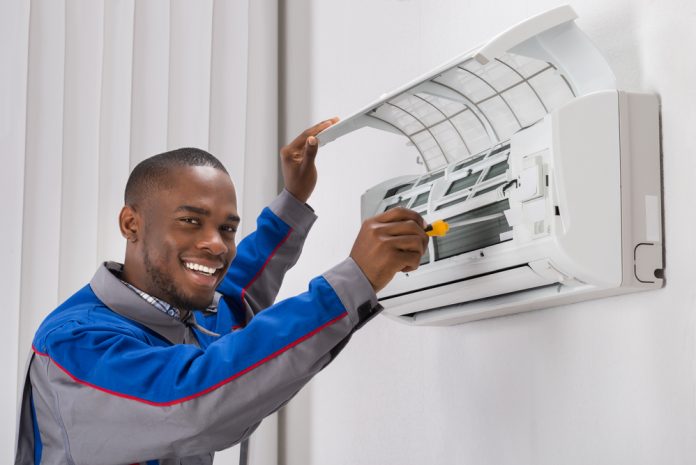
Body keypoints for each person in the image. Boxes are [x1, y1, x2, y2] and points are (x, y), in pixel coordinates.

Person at [14, 119, 428, 465]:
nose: (216, 243)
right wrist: (354, 280)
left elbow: (238, 291)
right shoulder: (75, 344)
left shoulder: (186, 308)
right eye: (191, 221)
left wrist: (294, 200)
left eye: (227, 228)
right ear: (131, 224)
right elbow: (190, 402)